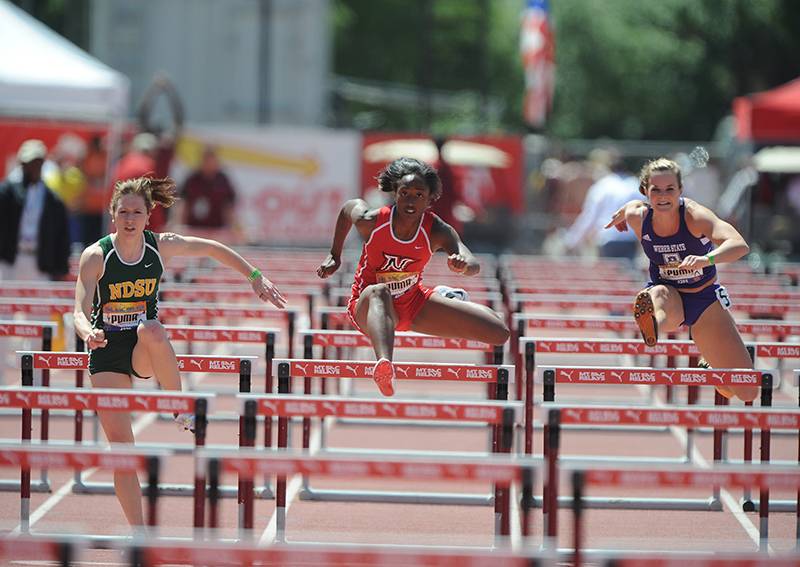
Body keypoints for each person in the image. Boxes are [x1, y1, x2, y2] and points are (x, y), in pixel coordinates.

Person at [73, 176, 286, 527]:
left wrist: (255, 277)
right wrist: (87, 332)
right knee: (122, 450)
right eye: (123, 212)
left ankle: (178, 406)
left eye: (137, 212)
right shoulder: (96, 256)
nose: (129, 219)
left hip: (144, 347)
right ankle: (140, 534)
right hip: (107, 351)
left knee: (152, 328)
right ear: (112, 215)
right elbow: (78, 308)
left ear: (148, 215)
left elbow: (213, 249)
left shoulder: (160, 246)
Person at [316, 157, 509, 396]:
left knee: (498, 332)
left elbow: (471, 261)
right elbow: (349, 209)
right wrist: (334, 255)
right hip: (368, 307)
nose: (410, 200)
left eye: (419, 195)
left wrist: (463, 265)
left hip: (412, 304)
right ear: (395, 193)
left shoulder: (436, 229)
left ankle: (443, 295)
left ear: (429, 200)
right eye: (405, 192)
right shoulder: (374, 221)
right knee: (380, 291)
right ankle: (384, 365)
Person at [604, 157, 758, 402]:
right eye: (656, 190)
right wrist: (626, 210)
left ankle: (713, 369)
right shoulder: (638, 216)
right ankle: (652, 323)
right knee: (659, 296)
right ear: (646, 191)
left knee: (747, 390)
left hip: (703, 298)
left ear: (680, 190)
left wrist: (706, 259)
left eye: (670, 189)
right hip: (665, 292)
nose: (663, 196)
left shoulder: (695, 216)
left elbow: (739, 245)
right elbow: (632, 207)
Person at [0, 139, 70, 281]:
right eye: (28, 163)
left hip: (39, 262)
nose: (33, 167)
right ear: (22, 164)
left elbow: (61, 235)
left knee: (37, 300)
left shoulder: (52, 200)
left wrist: (61, 267)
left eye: (37, 163)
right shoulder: (7, 193)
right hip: (10, 259)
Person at [562, 150, 641, 261]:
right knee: (627, 275)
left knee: (607, 275)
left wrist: (572, 240)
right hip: (629, 240)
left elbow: (589, 216)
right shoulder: (635, 185)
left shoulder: (603, 185)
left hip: (606, 239)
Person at [176, 146, 237, 233]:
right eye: (206, 160)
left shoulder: (223, 180)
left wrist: (231, 228)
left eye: (212, 160)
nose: (209, 164)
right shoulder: (192, 179)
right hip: (194, 229)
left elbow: (229, 206)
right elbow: (184, 204)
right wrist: (180, 226)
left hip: (216, 230)